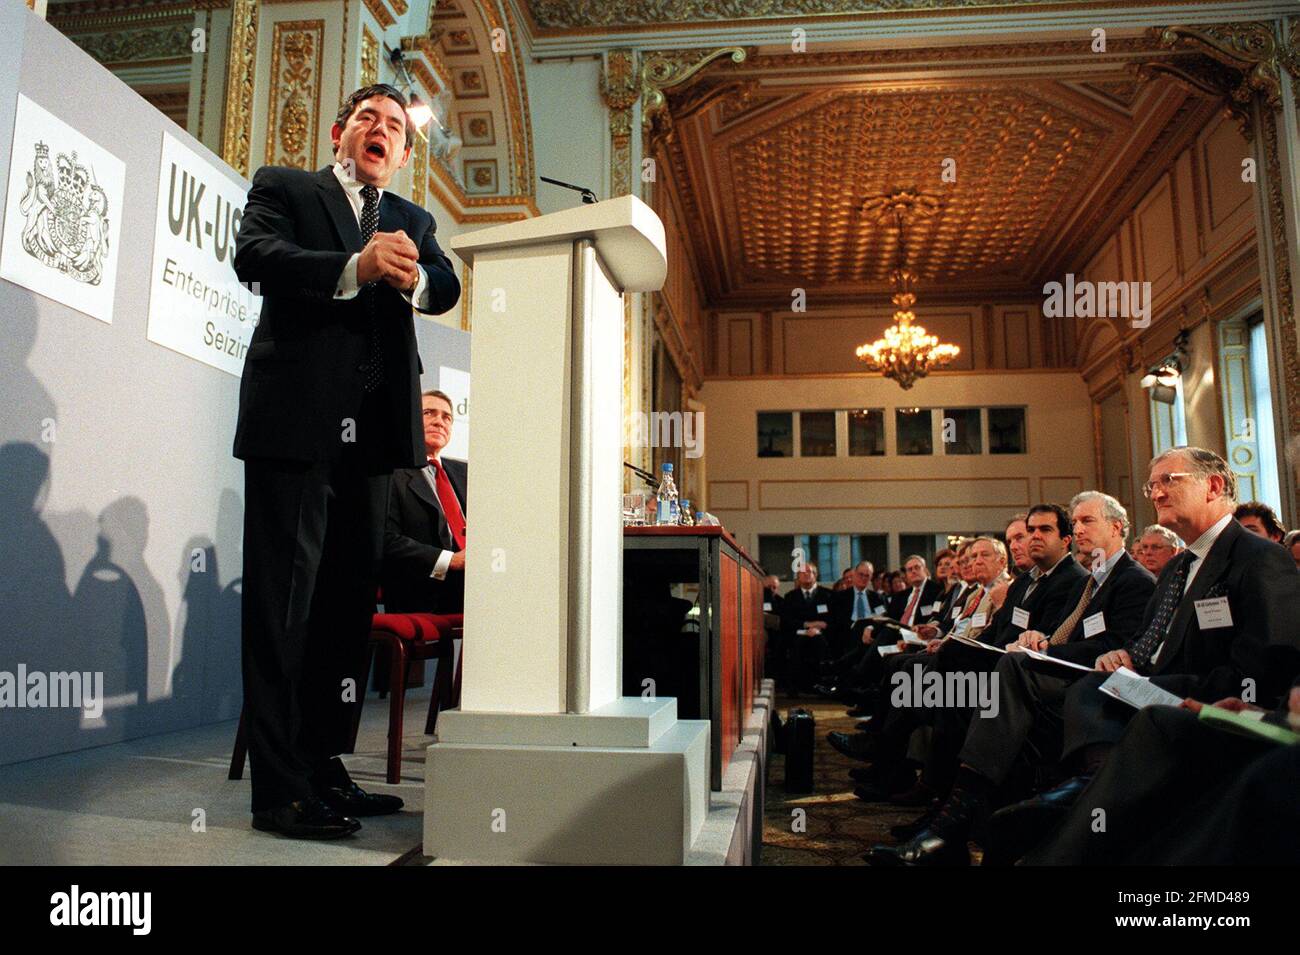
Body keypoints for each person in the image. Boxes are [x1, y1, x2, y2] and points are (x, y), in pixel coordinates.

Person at [233, 84, 460, 840]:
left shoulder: (413, 220)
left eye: (396, 127)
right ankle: (278, 790)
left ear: (401, 151)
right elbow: (256, 256)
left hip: (372, 442)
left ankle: (323, 763)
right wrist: (355, 266)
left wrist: (414, 277)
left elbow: (447, 285)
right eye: (369, 119)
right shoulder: (285, 187)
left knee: (341, 609)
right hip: (295, 425)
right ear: (340, 133)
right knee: (283, 606)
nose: (383, 131)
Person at [865, 492, 1156, 865]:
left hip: (1089, 691)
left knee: (990, 682)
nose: (1078, 529)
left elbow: (1117, 648)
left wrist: (1045, 651)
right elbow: (1062, 634)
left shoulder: (1131, 580)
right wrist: (1040, 641)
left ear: (1117, 527)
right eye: (1076, 521)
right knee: (953, 688)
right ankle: (942, 812)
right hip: (1043, 678)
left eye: (1087, 522)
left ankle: (945, 818)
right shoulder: (1092, 580)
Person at [382, 390, 467, 614]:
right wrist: (450, 561)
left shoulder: (465, 472)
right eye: (429, 413)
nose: (439, 421)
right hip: (420, 589)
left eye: (447, 417)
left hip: (476, 585)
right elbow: (386, 540)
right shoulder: (390, 471)